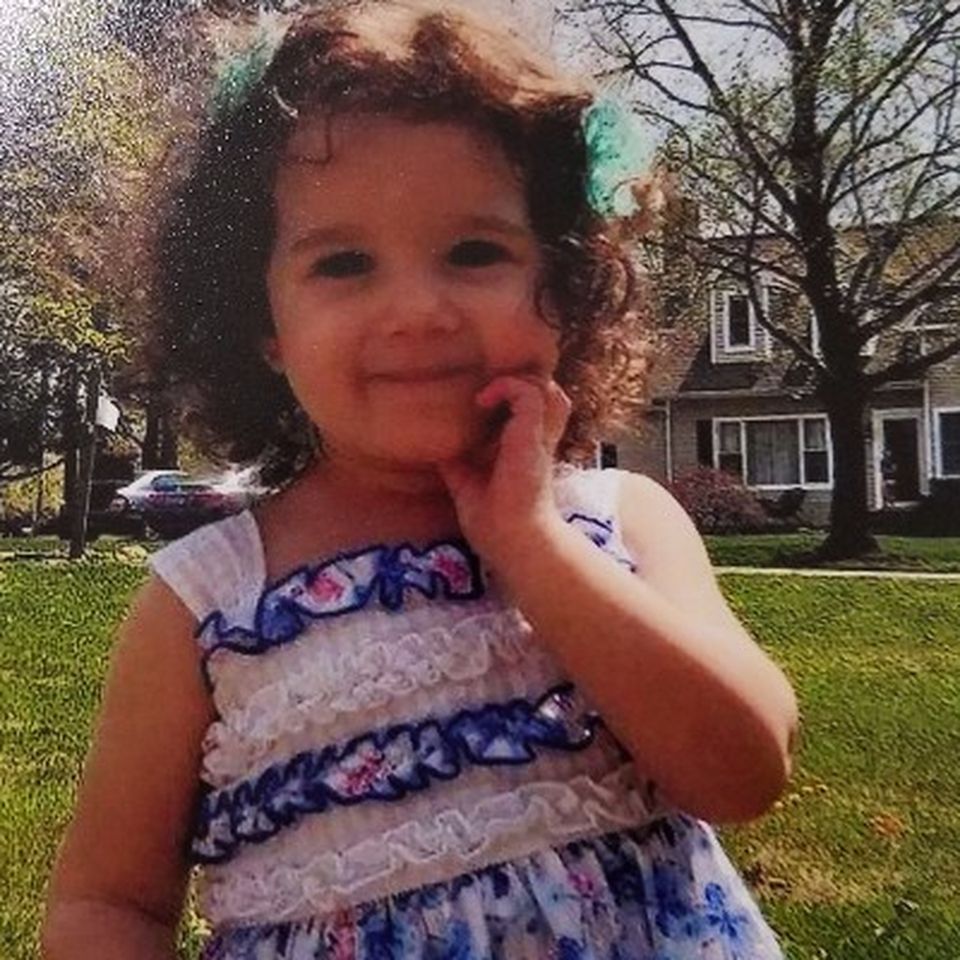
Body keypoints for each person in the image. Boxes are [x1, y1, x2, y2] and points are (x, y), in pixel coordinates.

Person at [43, 2, 799, 957]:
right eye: (344, 263)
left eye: (474, 251)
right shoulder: (208, 605)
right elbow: (109, 901)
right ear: (263, 324)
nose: (416, 310)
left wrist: (533, 544)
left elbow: (743, 772)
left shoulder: (623, 522)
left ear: (565, 287)